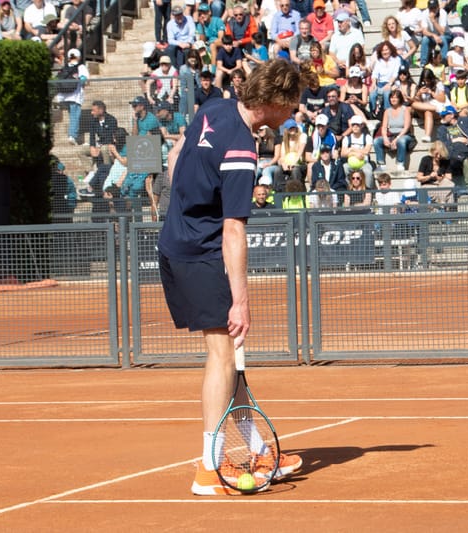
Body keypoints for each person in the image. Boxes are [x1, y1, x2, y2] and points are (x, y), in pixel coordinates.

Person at [157, 59, 304, 496]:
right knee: (223, 357)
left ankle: (258, 450)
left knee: (231, 362)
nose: (293, 113)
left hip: (176, 243)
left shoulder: (213, 107)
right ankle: (208, 469)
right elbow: (234, 230)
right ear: (274, 103)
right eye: (292, 104)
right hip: (199, 255)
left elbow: (175, 155)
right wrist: (240, 300)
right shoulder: (242, 149)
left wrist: (183, 208)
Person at [373, 89, 415, 172]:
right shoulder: (387, 111)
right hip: (391, 134)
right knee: (377, 141)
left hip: (404, 134)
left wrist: (397, 139)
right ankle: (381, 164)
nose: (393, 99)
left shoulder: (405, 109)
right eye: (392, 97)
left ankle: (400, 163)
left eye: (396, 97)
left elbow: (406, 127)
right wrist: (385, 138)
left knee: (401, 141)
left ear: (400, 99)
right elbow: (384, 127)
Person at [56, 48, 89, 145]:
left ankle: (73, 134)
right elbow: (84, 79)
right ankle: (72, 136)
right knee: (75, 116)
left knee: (72, 115)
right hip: (75, 95)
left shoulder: (65, 67)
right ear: (78, 57)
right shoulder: (81, 66)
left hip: (64, 95)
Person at [410, 68, 447, 143]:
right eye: (424, 80)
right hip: (426, 108)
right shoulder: (421, 85)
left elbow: (442, 99)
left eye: (428, 80)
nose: (426, 82)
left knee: (428, 112)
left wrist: (431, 93)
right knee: (414, 104)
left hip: (436, 111)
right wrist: (419, 93)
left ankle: (427, 135)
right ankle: (435, 108)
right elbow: (417, 101)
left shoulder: (438, 84)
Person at [327, 11, 364, 78]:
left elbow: (361, 49)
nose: (339, 24)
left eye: (341, 22)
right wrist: (338, 62)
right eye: (338, 22)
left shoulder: (357, 33)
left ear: (348, 22)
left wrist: (349, 62)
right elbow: (331, 53)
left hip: (353, 64)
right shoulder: (335, 36)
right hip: (339, 66)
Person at [341, 115, 374, 188]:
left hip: (364, 163)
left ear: (361, 126)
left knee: (368, 172)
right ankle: (348, 190)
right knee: (344, 168)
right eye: (353, 125)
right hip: (350, 163)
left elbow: (366, 151)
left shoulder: (367, 137)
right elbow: (343, 153)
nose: (355, 127)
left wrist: (352, 149)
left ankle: (368, 192)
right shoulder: (346, 138)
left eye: (357, 125)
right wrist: (355, 154)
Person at [89, 100, 119, 167]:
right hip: (99, 145)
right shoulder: (93, 121)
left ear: (101, 110)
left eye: (94, 110)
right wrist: (92, 146)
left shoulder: (111, 120)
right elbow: (92, 136)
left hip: (109, 145)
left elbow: (110, 137)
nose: (92, 113)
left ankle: (107, 169)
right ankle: (90, 171)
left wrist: (100, 147)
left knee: (104, 149)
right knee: (81, 151)